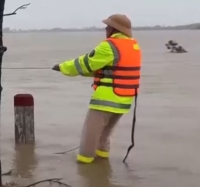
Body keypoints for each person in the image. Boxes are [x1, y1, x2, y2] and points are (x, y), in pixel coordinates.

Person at [53, 14, 141, 164]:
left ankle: (84, 165)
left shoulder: (109, 46)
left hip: (105, 100)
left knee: (90, 135)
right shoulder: (133, 46)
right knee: (104, 135)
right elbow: (106, 70)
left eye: (108, 26)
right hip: (124, 100)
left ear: (115, 29)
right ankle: (102, 163)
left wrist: (63, 67)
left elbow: (85, 63)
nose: (106, 29)